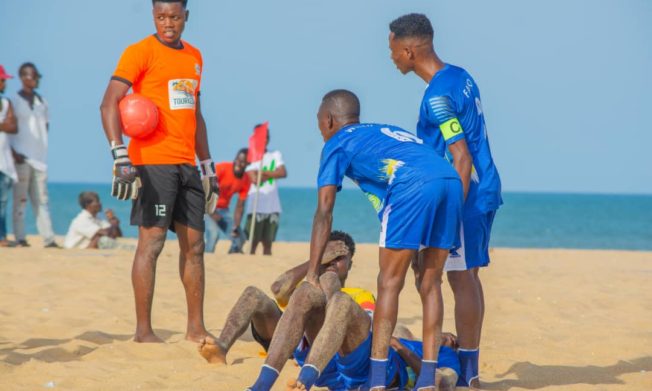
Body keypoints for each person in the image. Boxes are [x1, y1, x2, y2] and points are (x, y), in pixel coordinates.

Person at [304, 89, 462, 391]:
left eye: (318, 122)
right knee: (430, 284)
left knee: (389, 283)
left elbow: (324, 211)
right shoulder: (382, 132)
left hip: (412, 184)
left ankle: (376, 382)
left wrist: (312, 273)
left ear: (328, 120)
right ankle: (428, 380)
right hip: (449, 179)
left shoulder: (336, 143)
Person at [388, 13, 503, 388]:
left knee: (459, 279)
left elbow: (461, 157)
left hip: (464, 193)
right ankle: (470, 371)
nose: (390, 56)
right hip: (482, 187)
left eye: (392, 49)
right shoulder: (460, 75)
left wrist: (451, 218)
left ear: (408, 50)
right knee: (466, 275)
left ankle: (469, 376)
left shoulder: (437, 96)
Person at [99, 0, 219, 343]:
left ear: (186, 17)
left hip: (187, 165)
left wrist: (207, 167)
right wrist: (120, 155)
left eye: (175, 17)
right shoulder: (139, 52)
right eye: (162, 17)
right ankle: (143, 332)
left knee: (195, 245)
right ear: (153, 16)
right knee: (151, 243)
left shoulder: (195, 56)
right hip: (152, 163)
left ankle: (195, 329)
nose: (169, 23)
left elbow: (195, 114)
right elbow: (109, 102)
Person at [197, 232, 370, 369]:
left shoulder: (360, 295)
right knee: (252, 295)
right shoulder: (308, 286)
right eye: (328, 256)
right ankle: (221, 347)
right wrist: (315, 261)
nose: (332, 262)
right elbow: (278, 289)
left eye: (338, 257)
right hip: (286, 340)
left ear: (350, 264)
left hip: (325, 349)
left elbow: (364, 331)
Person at [285, 274, 462, 391]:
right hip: (346, 368)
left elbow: (442, 382)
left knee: (342, 304)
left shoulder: (447, 356)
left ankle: (305, 371)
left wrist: (398, 346)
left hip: (384, 371)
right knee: (316, 297)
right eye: (450, 335)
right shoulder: (414, 340)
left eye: (454, 342)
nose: (450, 339)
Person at [10, 62, 59, 248]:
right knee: (20, 200)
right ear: (24, 78)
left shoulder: (42, 102)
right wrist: (14, 153)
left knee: (42, 200)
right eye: (34, 76)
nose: (37, 80)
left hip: (40, 160)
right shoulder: (14, 101)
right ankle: (20, 238)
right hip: (21, 157)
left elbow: (46, 127)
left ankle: (48, 239)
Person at [245, 127, 286, 255]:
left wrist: (262, 172)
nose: (265, 139)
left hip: (272, 206)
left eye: (266, 136)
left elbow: (283, 172)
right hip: (256, 206)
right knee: (253, 241)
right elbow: (254, 179)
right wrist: (273, 173)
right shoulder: (250, 157)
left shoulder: (275, 154)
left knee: (268, 242)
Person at [205, 148, 250, 254]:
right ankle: (206, 260)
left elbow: (240, 206)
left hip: (223, 210)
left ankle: (232, 257)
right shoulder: (222, 168)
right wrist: (212, 212)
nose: (239, 163)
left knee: (240, 238)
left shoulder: (246, 179)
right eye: (237, 160)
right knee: (214, 235)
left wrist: (236, 226)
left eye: (243, 162)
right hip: (208, 207)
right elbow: (205, 189)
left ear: (248, 163)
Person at [0, 65, 17, 247]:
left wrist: (6, 125)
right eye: (2, 80)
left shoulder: (5, 103)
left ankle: (2, 236)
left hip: (4, 160)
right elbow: (7, 125)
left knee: (3, 201)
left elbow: (13, 126)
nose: (4, 83)